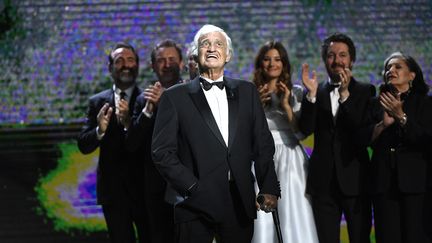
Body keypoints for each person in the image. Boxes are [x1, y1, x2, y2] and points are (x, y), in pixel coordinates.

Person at [151, 24, 280, 243]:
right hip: (195, 203)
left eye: (218, 44)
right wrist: (192, 187)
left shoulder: (247, 91)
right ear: (196, 54)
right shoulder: (174, 97)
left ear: (227, 55)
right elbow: (162, 153)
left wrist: (268, 186)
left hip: (239, 200)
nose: (212, 48)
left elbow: (262, 144)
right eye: (205, 44)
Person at [299, 33, 375, 243]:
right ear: (325, 60)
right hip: (323, 183)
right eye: (331, 55)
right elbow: (305, 129)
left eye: (343, 55)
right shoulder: (318, 92)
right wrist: (311, 96)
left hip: (356, 180)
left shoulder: (365, 91)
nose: (337, 60)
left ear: (351, 60)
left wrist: (345, 96)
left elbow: (362, 133)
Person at [77, 42, 149, 243]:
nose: (125, 65)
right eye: (119, 61)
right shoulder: (97, 102)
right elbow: (83, 144)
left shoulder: (149, 100)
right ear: (110, 69)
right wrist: (100, 130)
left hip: (144, 192)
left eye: (130, 60)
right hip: (113, 194)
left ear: (137, 65)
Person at [251, 41, 318, 243]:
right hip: (261, 158)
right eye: (267, 59)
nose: (272, 64)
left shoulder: (296, 92)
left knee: (292, 214)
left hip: (291, 159)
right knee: (263, 220)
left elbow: (300, 135)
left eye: (277, 59)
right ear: (260, 64)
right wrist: (256, 107)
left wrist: (286, 106)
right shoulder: (250, 92)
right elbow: (246, 134)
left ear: (284, 64)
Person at [367, 52, 432, 243]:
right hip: (383, 184)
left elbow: (426, 139)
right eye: (388, 68)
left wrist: (402, 117)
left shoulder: (426, 104)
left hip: (416, 184)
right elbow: (363, 140)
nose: (391, 71)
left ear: (412, 75)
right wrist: (382, 126)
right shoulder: (374, 104)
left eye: (397, 67)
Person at [125, 39, 184, 243]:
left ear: (182, 63)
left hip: (188, 184)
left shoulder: (194, 95)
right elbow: (132, 144)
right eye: (161, 60)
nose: (167, 65)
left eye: (171, 59)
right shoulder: (143, 99)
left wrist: (165, 104)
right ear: (153, 66)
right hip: (156, 187)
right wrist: (148, 111)